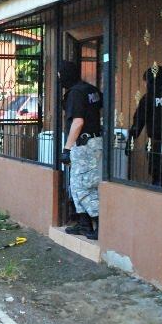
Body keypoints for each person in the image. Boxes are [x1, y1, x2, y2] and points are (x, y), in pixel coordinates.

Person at [59, 61, 103, 240]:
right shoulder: (90, 89)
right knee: (78, 184)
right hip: (94, 142)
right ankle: (84, 224)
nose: (59, 79)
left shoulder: (76, 93)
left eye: (60, 76)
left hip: (85, 145)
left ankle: (100, 224)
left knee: (84, 186)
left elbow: (78, 122)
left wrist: (67, 148)